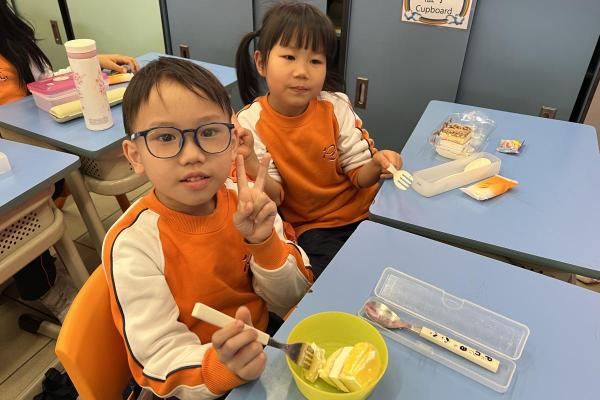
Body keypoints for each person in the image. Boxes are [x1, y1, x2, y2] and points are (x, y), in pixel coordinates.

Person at [104, 57, 313, 399]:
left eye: (209, 132)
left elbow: (294, 295)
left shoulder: (246, 202)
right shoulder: (133, 244)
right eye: (166, 137)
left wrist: (263, 242)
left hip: (264, 345)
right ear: (135, 155)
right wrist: (224, 367)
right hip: (194, 378)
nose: (192, 155)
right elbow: (158, 358)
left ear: (232, 142)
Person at [235, 1, 403, 278]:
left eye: (315, 61)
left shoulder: (335, 106)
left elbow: (359, 175)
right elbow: (274, 197)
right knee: (334, 283)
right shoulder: (250, 123)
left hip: (369, 210)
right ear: (261, 63)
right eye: (289, 57)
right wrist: (251, 160)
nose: (302, 71)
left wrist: (378, 163)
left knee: (399, 266)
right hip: (314, 228)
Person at [0, 0, 139, 322]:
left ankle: (53, 279)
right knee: (20, 214)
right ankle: (48, 287)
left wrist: (89, 67)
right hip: (16, 163)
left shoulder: (13, 40)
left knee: (37, 203)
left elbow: (44, 83)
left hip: (46, 151)